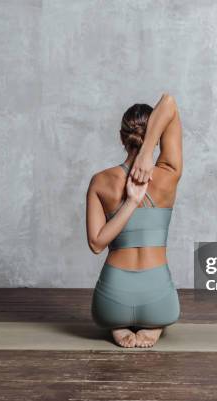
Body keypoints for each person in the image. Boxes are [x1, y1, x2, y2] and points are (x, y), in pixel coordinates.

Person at [85, 93, 183, 348]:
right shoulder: (169, 175)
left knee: (111, 315)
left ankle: (118, 326)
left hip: (111, 301)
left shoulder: (100, 181)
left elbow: (96, 245)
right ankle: (153, 325)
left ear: (122, 137)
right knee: (162, 310)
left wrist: (130, 202)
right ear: (157, 135)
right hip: (159, 299)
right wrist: (148, 152)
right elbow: (169, 102)